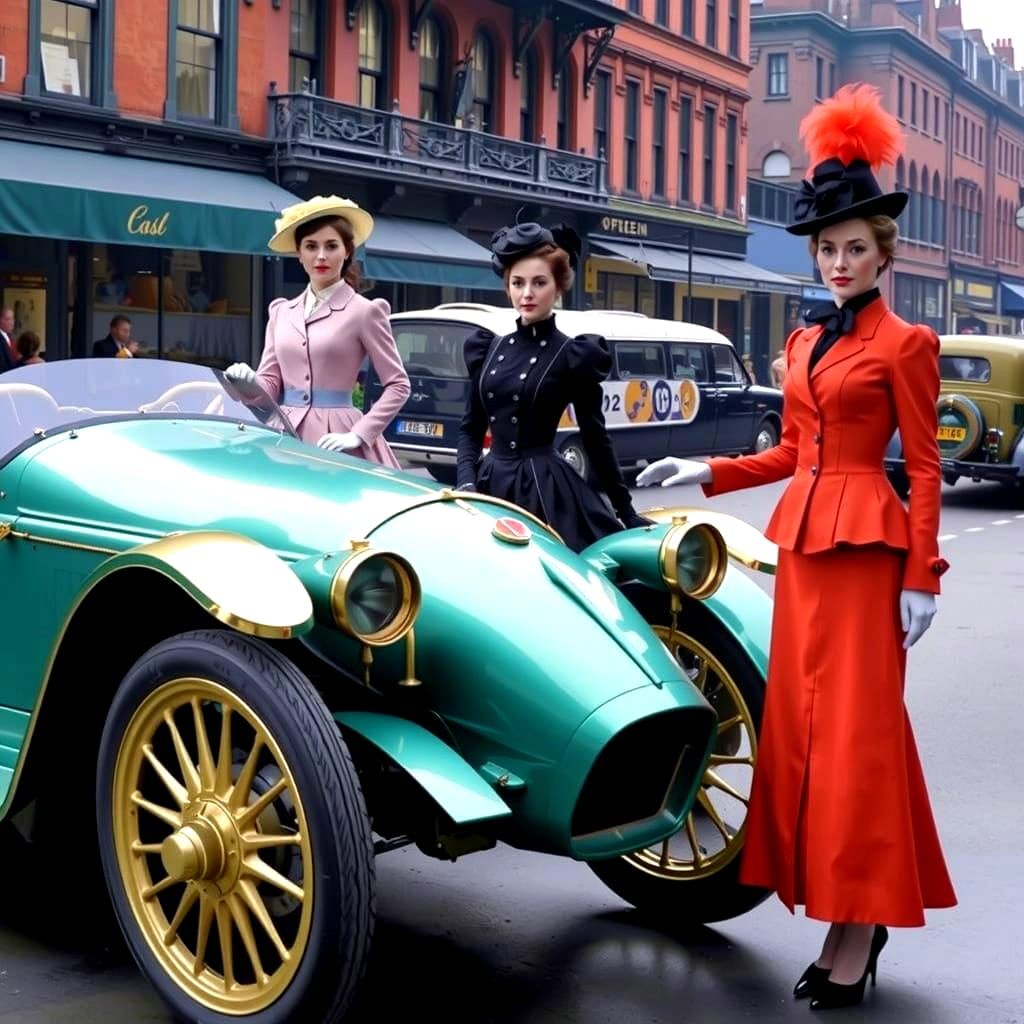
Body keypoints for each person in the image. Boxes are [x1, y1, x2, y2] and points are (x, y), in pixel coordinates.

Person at [637, 84, 955, 1010]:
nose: (840, 262)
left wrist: (923, 575)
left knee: (859, 746)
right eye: (828, 249)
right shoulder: (804, 344)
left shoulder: (907, 343)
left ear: (882, 252)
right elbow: (789, 453)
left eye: (856, 248)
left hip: (868, 562)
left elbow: (925, 470)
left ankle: (858, 931)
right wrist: (703, 470)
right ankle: (844, 919)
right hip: (805, 560)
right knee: (807, 738)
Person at [455, 221, 649, 552]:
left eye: (539, 283)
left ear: (558, 288)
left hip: (545, 490)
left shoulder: (574, 354)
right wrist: (466, 483)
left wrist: (625, 510)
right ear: (507, 288)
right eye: (517, 283)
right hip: (488, 487)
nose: (526, 293)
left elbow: (594, 436)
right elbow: (470, 428)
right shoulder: (487, 348)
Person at [224, 195, 410, 467]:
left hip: (337, 439)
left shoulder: (365, 311)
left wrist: (359, 434)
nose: (321, 256)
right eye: (311, 246)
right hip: (284, 434)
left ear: (347, 251)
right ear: (299, 254)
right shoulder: (281, 312)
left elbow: (399, 385)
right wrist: (246, 382)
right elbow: (270, 386)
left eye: (331, 246)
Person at [0, 308, 16, 373]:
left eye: (13, 319)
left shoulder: (9, 336)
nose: (12, 322)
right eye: (8, 319)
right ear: (1, 320)